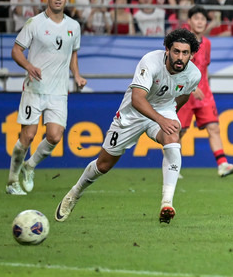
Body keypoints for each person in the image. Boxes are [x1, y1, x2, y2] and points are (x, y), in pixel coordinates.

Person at [54, 29, 202, 224]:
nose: (180, 57)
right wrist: (162, 119)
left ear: (191, 55)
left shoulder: (193, 74)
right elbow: (137, 99)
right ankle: (75, 192)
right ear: (167, 50)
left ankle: (167, 203)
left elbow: (184, 94)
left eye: (185, 53)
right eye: (176, 51)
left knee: (173, 136)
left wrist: (170, 113)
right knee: (103, 165)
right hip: (133, 113)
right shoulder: (150, 61)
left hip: (162, 110)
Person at [6, 0, 87, 195]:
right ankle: (12, 181)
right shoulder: (34, 23)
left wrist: (77, 75)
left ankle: (29, 166)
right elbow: (15, 51)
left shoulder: (73, 26)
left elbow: (73, 53)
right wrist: (28, 65)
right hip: (35, 89)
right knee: (28, 136)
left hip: (59, 91)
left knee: (54, 136)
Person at [177, 6, 233, 177]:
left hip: (204, 94)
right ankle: (172, 167)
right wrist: (191, 87)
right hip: (183, 93)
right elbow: (175, 69)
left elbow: (204, 69)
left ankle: (222, 164)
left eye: (203, 19)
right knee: (179, 132)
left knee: (214, 127)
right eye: (196, 18)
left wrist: (206, 89)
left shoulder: (207, 43)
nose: (200, 22)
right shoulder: (181, 43)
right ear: (189, 21)